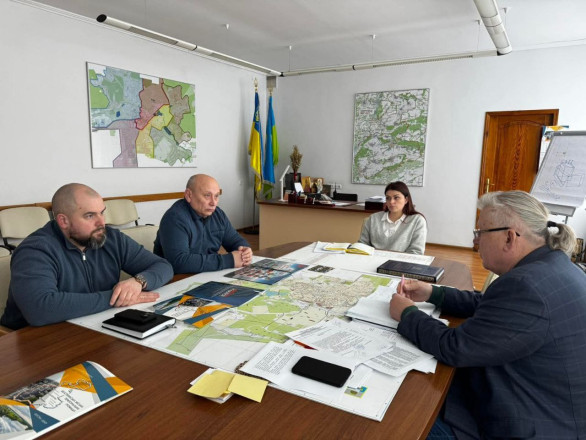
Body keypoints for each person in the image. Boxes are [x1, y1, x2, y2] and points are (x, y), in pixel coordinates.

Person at [390, 191, 586, 439]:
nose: (475, 242)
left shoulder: (525, 285)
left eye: (480, 233)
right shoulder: (552, 266)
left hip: (524, 424)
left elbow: (455, 348)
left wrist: (406, 313)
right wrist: (432, 292)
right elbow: (489, 304)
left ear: (509, 237)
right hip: (549, 404)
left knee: (402, 417)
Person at [1, 184, 173, 330]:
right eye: (90, 216)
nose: (101, 223)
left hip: (93, 327)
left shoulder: (110, 238)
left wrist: (139, 281)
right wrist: (118, 297)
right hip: (33, 341)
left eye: (102, 213)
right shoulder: (35, 250)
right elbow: (40, 309)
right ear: (63, 221)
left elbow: (163, 266)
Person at [154, 174, 253, 273]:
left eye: (216, 196)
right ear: (189, 195)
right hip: (178, 278)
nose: (213, 203)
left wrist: (244, 251)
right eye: (207, 195)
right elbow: (179, 262)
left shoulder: (218, 214)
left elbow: (235, 240)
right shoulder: (174, 218)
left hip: (207, 274)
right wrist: (229, 260)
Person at [358, 181, 427, 254]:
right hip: (373, 259)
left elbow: (416, 252)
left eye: (396, 197)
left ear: (406, 200)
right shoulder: (373, 218)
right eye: (388, 198)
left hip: (400, 261)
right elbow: (362, 245)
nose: (391, 202)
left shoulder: (417, 221)